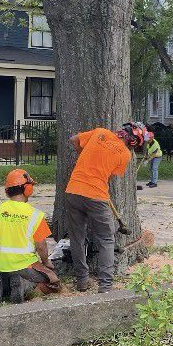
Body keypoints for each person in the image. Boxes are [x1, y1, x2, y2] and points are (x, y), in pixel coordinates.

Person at [65, 122, 145, 293]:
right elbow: (111, 173)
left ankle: (82, 281)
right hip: (97, 197)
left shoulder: (100, 132)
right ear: (133, 143)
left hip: (73, 190)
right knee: (106, 240)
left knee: (77, 238)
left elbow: (74, 140)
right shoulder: (125, 155)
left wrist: (84, 154)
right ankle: (105, 286)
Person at [0, 169, 60, 303]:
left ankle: (0, 285)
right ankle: (24, 286)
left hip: (1, 267)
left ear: (7, 191)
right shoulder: (35, 215)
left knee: (5, 276)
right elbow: (41, 246)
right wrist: (46, 262)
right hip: (26, 268)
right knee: (53, 281)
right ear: (28, 189)